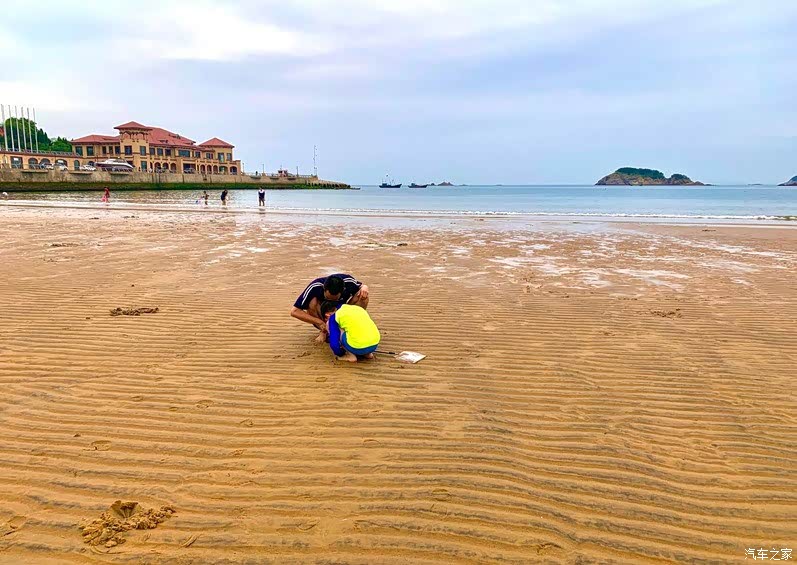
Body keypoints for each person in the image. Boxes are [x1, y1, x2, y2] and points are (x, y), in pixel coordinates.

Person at [290, 274, 369, 343]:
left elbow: (361, 286)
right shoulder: (315, 286)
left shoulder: (348, 282)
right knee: (311, 302)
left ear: (343, 290)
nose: (331, 301)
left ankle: (349, 327)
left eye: (335, 299)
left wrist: (365, 287)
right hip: (322, 314)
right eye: (327, 298)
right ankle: (324, 331)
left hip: (341, 311)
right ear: (323, 288)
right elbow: (294, 311)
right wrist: (319, 322)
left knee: (362, 296)